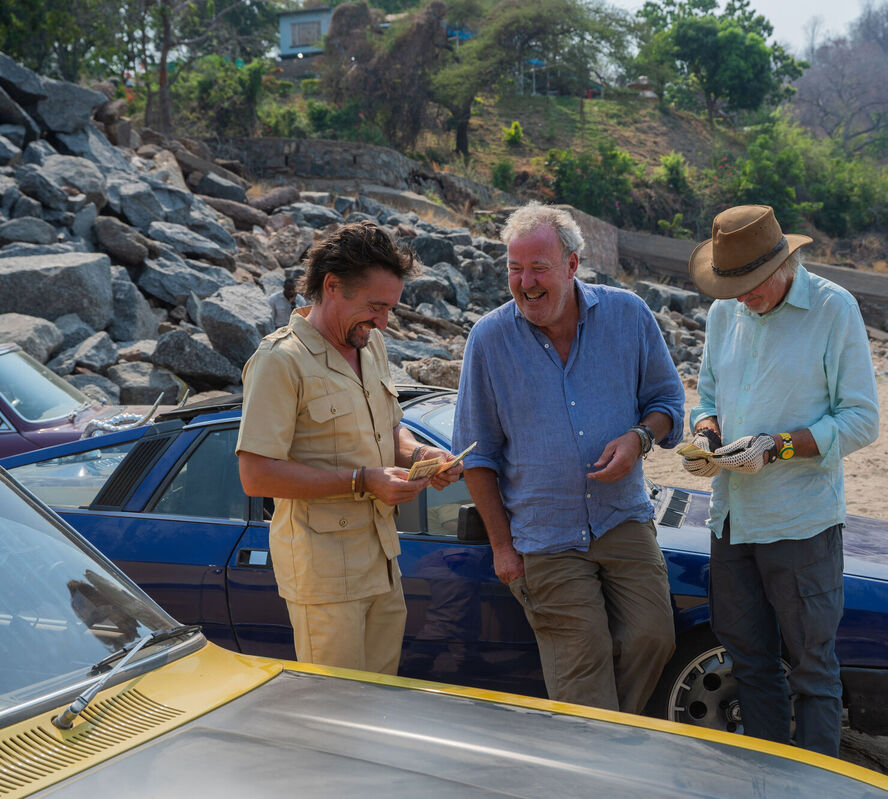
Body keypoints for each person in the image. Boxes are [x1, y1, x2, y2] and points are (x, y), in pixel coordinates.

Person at [453, 202, 684, 714]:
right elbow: (476, 455)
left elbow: (668, 404)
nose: (525, 282)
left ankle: (596, 742)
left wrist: (639, 439)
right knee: (583, 665)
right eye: (515, 269)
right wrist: (503, 550)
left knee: (654, 637)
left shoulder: (628, 315)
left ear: (573, 265)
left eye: (539, 268)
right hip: (546, 537)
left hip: (622, 517)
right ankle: (598, 757)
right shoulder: (489, 340)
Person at [682, 204, 879, 757]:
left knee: (814, 669)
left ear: (783, 265)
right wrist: (706, 432)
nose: (741, 296)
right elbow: (709, 395)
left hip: (800, 524)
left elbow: (862, 420)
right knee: (748, 661)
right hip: (731, 520)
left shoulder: (835, 309)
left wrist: (776, 448)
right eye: (731, 285)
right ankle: (763, 779)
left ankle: (813, 786)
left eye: (749, 285)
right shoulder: (726, 311)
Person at [236, 221, 462, 675]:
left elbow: (389, 428)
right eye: (376, 307)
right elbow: (255, 475)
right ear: (332, 286)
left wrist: (421, 457)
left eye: (389, 309)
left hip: (381, 562)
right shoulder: (280, 360)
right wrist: (363, 481)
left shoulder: (370, 343)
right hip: (323, 577)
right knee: (334, 715)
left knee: (378, 705)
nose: (383, 322)